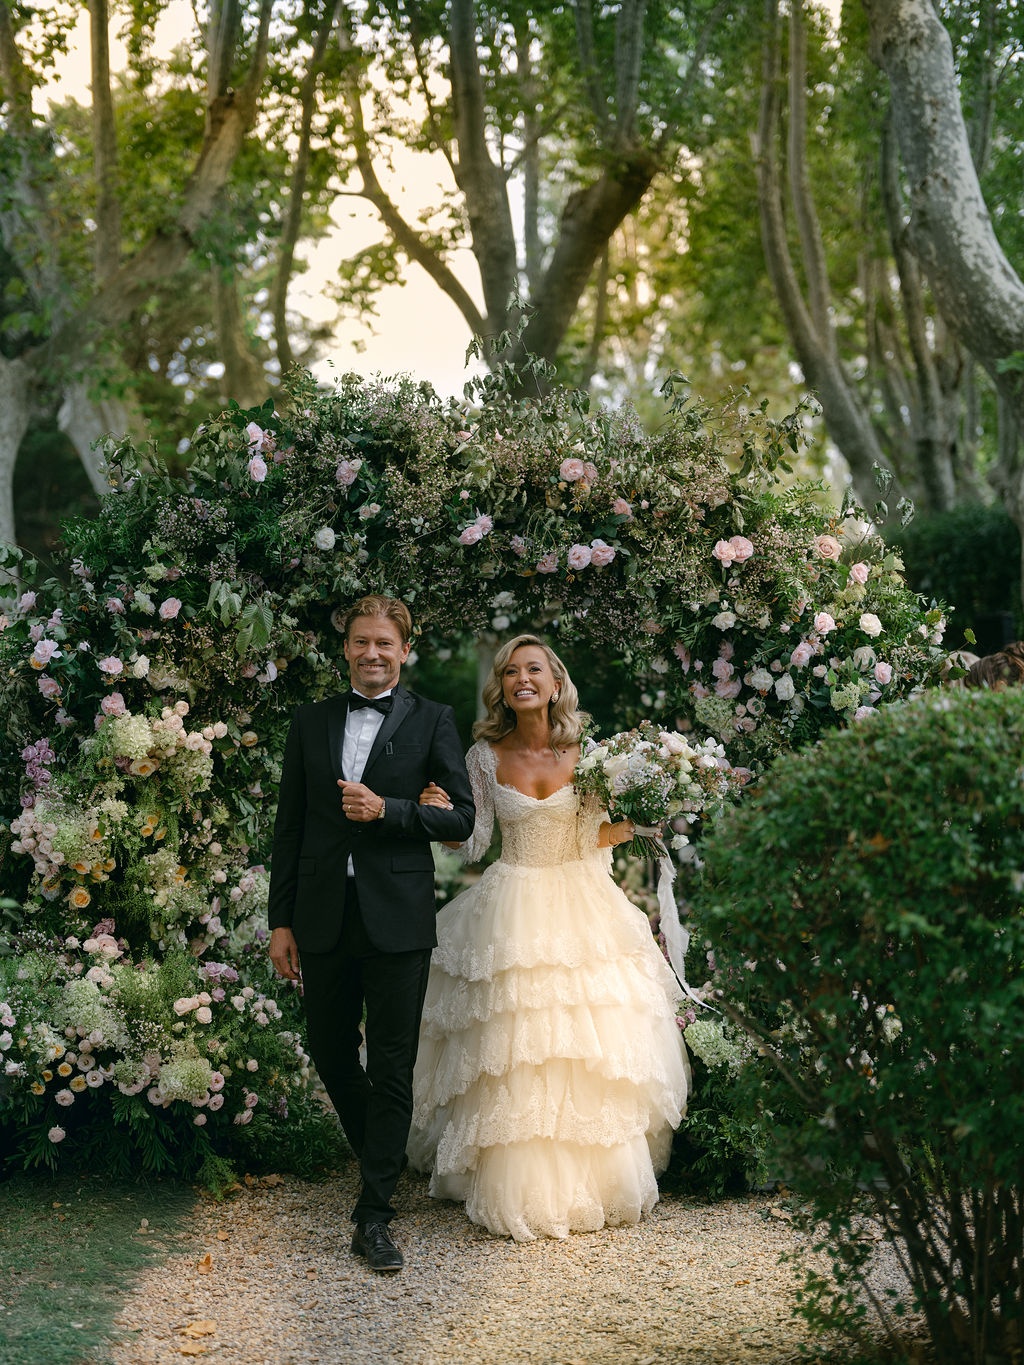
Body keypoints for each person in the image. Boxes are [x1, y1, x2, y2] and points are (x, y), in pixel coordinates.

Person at [407, 634, 689, 1241]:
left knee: (584, 1044)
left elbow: (592, 835)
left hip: (580, 900)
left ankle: (595, 1177)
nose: (521, 679)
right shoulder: (484, 756)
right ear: (503, 688)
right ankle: (511, 1174)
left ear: (555, 683)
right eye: (511, 672)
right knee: (513, 1041)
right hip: (512, 899)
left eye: (533, 669)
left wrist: (643, 820)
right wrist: (437, 817)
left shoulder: (589, 756)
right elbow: (476, 841)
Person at [267, 594, 475, 1273]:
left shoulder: (434, 720)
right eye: (361, 641)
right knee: (328, 1046)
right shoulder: (311, 721)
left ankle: (375, 1212)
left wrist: (391, 809)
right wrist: (281, 921)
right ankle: (381, 1155)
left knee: (391, 1061)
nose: (372, 652)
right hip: (324, 914)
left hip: (398, 914)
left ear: (404, 649)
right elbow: (289, 829)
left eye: (385, 642)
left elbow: (463, 819)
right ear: (347, 648)